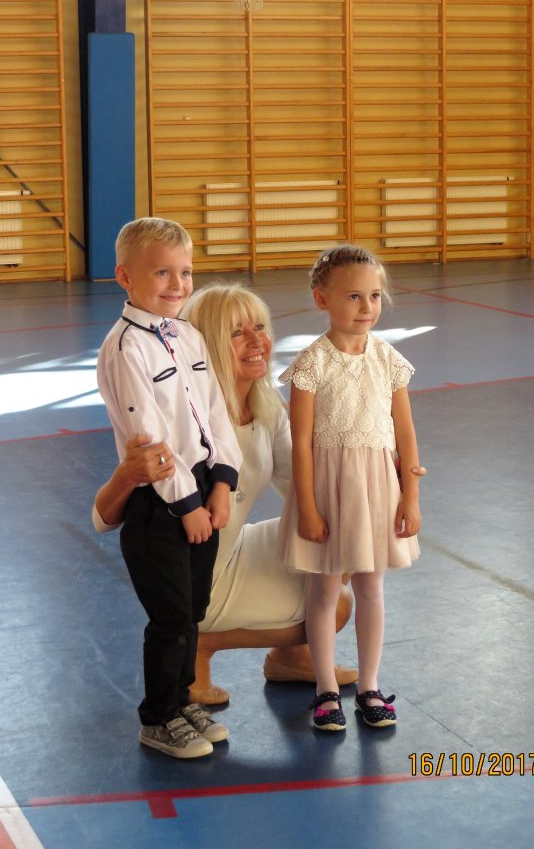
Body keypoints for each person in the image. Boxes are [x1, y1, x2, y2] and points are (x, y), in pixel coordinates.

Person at [94, 283, 357, 707]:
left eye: (260, 327)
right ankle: (197, 642)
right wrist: (127, 476)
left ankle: (291, 657)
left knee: (338, 539)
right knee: (335, 605)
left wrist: (372, 476)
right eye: (236, 333)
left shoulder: (266, 405)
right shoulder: (184, 420)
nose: (257, 341)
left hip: (233, 548)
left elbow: (304, 485)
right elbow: (102, 519)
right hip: (196, 572)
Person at [96, 217, 242, 760]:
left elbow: (216, 415)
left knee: (194, 609)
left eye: (185, 272)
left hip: (203, 492)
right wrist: (186, 506)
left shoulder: (188, 335)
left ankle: (183, 702)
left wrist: (222, 483)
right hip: (160, 503)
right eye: (162, 272)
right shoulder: (125, 348)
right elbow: (150, 442)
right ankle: (158, 717)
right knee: (171, 615)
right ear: (125, 277)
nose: (178, 284)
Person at [277, 244, 425, 732]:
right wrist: (308, 508)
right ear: (322, 299)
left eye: (375, 296)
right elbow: (301, 444)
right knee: (323, 589)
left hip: (378, 488)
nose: (367, 307)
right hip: (328, 488)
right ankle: (325, 687)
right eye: (354, 296)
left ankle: (369, 685)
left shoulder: (389, 360)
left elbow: (405, 435)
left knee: (371, 587)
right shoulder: (311, 364)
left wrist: (410, 496)